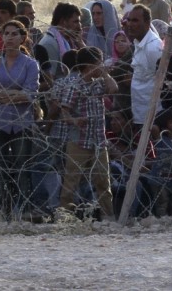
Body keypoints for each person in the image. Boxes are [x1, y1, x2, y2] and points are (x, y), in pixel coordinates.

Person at [0, 20, 41, 219]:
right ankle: (1, 210)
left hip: (21, 123)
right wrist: (14, 93)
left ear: (22, 37)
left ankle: (22, 210)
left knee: (21, 167)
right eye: (6, 33)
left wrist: (4, 94)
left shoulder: (30, 64)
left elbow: (30, 93)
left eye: (14, 33)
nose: (9, 37)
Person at [56, 46, 118, 220]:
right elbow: (64, 111)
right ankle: (64, 216)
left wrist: (104, 74)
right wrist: (75, 121)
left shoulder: (99, 84)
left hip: (99, 141)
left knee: (103, 182)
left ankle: (108, 217)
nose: (102, 66)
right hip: (79, 142)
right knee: (71, 181)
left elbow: (114, 89)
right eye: (99, 63)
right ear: (90, 66)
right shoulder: (75, 86)